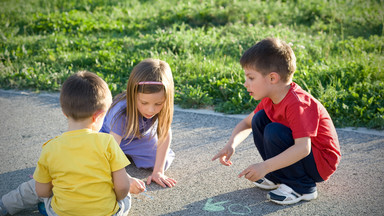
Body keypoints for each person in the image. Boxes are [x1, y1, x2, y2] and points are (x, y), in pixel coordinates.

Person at [212, 38, 341, 205]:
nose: (245, 83)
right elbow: (246, 124)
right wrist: (231, 144)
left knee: (274, 131)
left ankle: (303, 187)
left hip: (320, 162)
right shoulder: (270, 99)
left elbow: (303, 148)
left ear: (272, 78)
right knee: (259, 119)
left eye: (251, 78)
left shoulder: (297, 103)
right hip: (305, 154)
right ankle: (278, 176)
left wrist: (264, 166)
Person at [0, 71, 145, 216]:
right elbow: (122, 187)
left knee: (34, 186)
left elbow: (42, 192)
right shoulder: (108, 142)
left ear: (64, 112)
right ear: (98, 116)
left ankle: (5, 205)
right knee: (124, 193)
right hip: (105, 213)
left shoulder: (50, 148)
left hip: (61, 213)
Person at [100, 58, 177, 188]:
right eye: (144, 103)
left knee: (163, 161)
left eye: (158, 104)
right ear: (132, 95)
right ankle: (121, 158)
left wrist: (158, 172)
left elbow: (165, 133)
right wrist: (125, 178)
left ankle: (125, 156)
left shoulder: (162, 106)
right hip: (109, 138)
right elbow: (112, 148)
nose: (151, 110)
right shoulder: (121, 112)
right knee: (99, 165)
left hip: (135, 138)